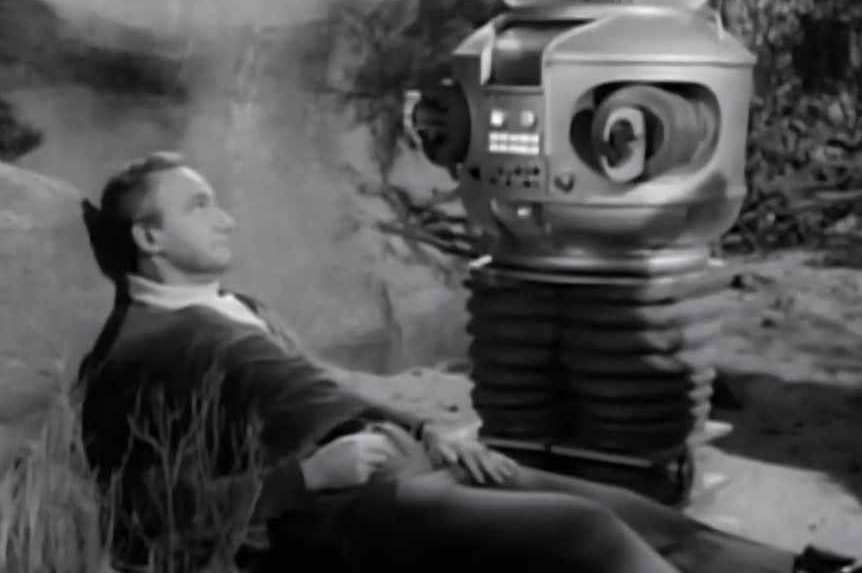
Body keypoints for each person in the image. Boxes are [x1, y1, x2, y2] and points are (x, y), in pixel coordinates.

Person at [76, 151, 859, 573]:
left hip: (417, 458)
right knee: (587, 532)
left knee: (642, 513)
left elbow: (323, 390)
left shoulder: (241, 305)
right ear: (148, 237)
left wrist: (432, 430)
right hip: (349, 505)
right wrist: (305, 478)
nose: (226, 217)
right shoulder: (144, 350)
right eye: (199, 206)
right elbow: (141, 512)